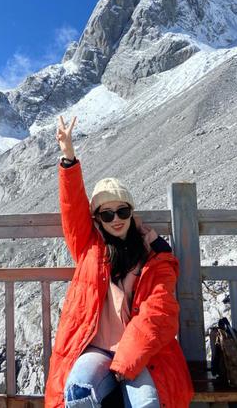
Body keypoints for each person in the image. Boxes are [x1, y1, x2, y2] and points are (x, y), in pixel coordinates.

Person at [44, 115, 194, 408]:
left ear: (131, 212)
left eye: (122, 212)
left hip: (141, 354)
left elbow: (159, 313)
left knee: (148, 403)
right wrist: (68, 158)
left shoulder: (156, 257)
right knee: (78, 394)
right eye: (106, 214)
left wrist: (126, 361)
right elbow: (72, 209)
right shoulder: (89, 248)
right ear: (97, 219)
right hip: (96, 348)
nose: (115, 220)